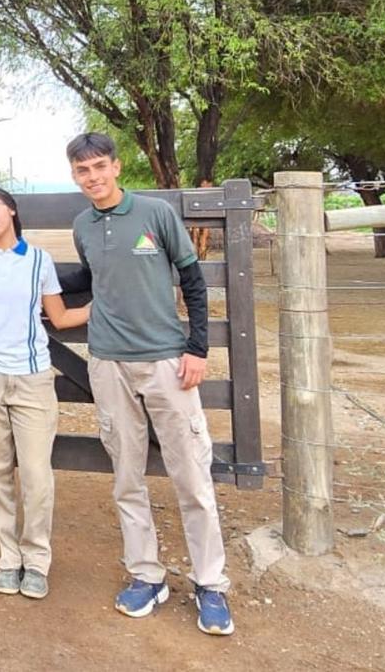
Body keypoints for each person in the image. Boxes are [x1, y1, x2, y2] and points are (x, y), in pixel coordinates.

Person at [61, 132, 233, 636]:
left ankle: (211, 583)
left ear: (115, 167)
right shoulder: (82, 227)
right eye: (82, 171)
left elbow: (193, 280)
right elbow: (95, 280)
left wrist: (197, 348)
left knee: (191, 476)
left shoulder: (156, 214)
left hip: (165, 363)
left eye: (98, 167)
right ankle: (146, 574)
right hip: (108, 364)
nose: (92, 177)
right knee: (127, 475)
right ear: (74, 176)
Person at [0, 185, 90, 599]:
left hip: (31, 376)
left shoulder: (39, 261)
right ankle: (8, 557)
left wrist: (110, 304)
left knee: (36, 474)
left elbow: (60, 317)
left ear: (11, 209)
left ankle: (37, 558)